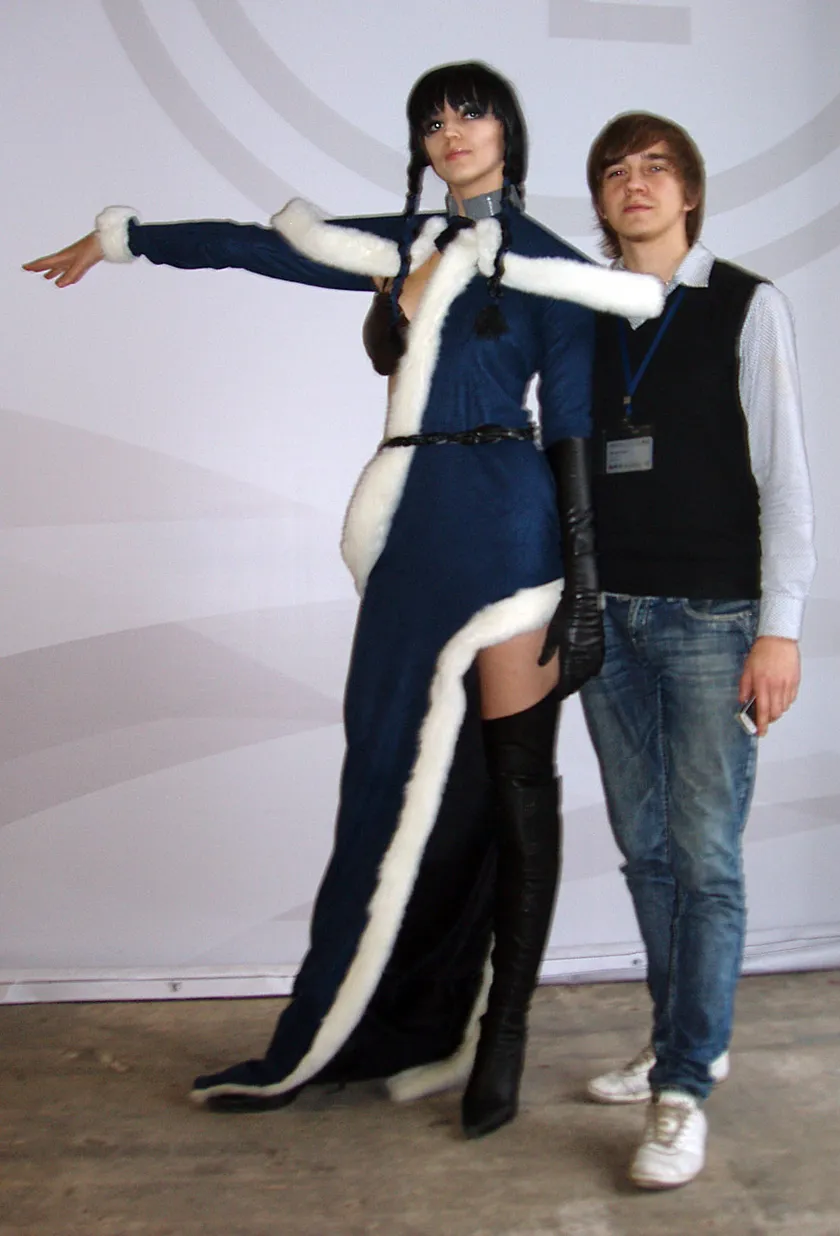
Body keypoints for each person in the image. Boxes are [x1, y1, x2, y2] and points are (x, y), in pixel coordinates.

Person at [24, 64, 663, 1139]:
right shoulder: (401, 245)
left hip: (512, 531)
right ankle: (357, 1028)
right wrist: (126, 240)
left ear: (508, 130)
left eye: (470, 112)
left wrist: (587, 584)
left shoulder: (550, 266)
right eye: (432, 119)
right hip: (413, 527)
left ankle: (499, 1032)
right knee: (380, 776)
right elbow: (258, 244)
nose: (451, 131)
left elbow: (571, 426)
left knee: (512, 794)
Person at [577, 113, 816, 1187]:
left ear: (689, 193)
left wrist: (780, 628)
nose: (635, 184)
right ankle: (681, 1036)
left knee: (706, 859)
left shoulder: (746, 305)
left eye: (656, 167)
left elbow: (786, 476)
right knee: (647, 851)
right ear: (601, 201)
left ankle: (682, 1089)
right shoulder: (587, 315)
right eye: (615, 172)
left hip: (714, 621)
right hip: (608, 621)